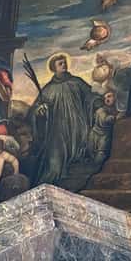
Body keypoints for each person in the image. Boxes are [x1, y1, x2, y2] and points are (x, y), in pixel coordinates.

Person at [27, 53, 96, 185]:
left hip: (78, 125)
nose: (64, 65)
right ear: (54, 68)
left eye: (64, 62)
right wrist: (40, 111)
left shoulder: (76, 82)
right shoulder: (48, 89)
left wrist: (98, 103)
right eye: (60, 63)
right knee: (55, 162)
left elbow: (90, 96)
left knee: (82, 152)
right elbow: (35, 110)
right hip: (58, 130)